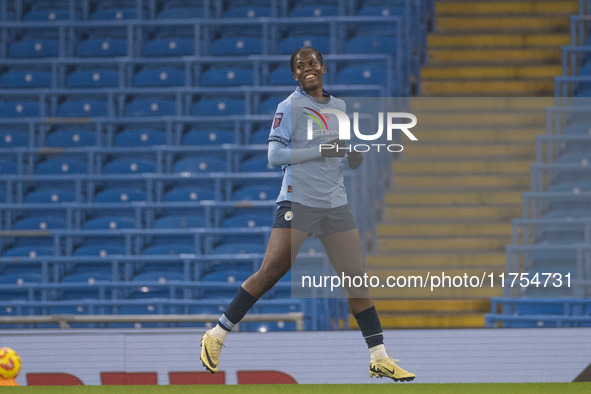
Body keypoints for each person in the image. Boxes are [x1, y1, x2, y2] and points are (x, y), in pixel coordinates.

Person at [200, 47, 415, 382]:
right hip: (298, 200)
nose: (307, 68)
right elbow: (274, 156)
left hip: (334, 204)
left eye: (311, 63)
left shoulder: (339, 107)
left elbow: (338, 150)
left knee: (356, 278)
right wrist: (323, 150)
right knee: (271, 271)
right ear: (295, 75)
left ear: (323, 67)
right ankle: (216, 333)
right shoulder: (289, 106)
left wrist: (351, 155)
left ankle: (379, 357)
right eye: (300, 66)